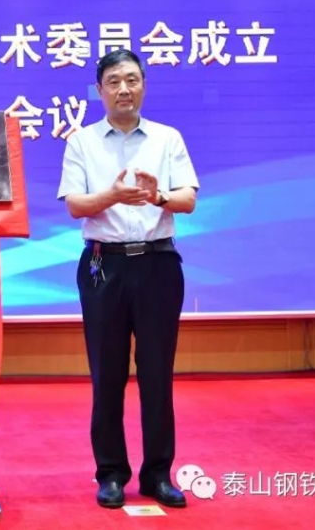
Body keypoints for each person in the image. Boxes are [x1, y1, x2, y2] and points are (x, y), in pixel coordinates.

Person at [56, 48, 199, 510]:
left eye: (132, 80)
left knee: (157, 374)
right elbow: (75, 205)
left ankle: (158, 474)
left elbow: (187, 199)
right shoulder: (82, 142)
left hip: (158, 265)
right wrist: (113, 195)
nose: (124, 89)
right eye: (114, 82)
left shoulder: (167, 138)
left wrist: (159, 197)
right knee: (108, 374)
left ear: (144, 86)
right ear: (99, 90)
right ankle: (111, 473)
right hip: (104, 266)